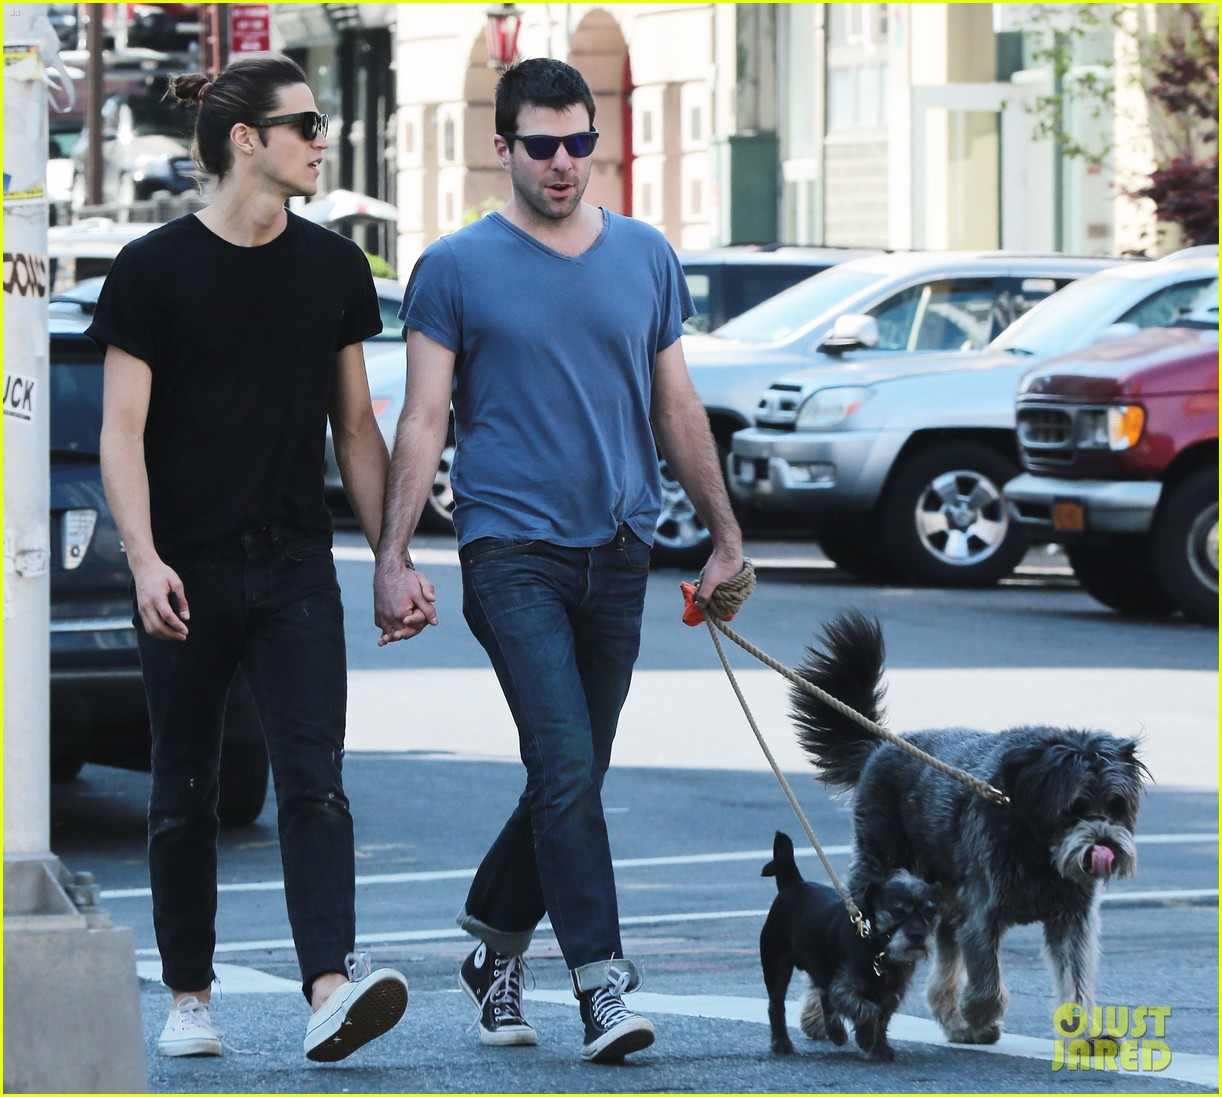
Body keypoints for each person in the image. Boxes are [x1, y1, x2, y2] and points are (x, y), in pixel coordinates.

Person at [373, 57, 745, 1063]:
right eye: (542, 144)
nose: (564, 161)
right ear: (502, 148)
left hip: (619, 548)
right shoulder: (453, 266)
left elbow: (675, 404)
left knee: (570, 769)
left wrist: (725, 534)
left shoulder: (644, 255)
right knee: (568, 761)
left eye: (581, 141)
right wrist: (393, 553)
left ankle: (493, 942)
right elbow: (421, 417)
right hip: (509, 548)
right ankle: (603, 985)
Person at [90, 55, 408, 1063]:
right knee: (182, 785)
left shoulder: (332, 267)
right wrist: (142, 558)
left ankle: (327, 984)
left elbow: (356, 427)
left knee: (313, 777)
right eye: (306, 124)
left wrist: (389, 555)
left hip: (294, 563)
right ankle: (189, 992)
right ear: (246, 139)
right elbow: (120, 432)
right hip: (183, 563)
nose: (323, 140)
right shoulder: (152, 268)